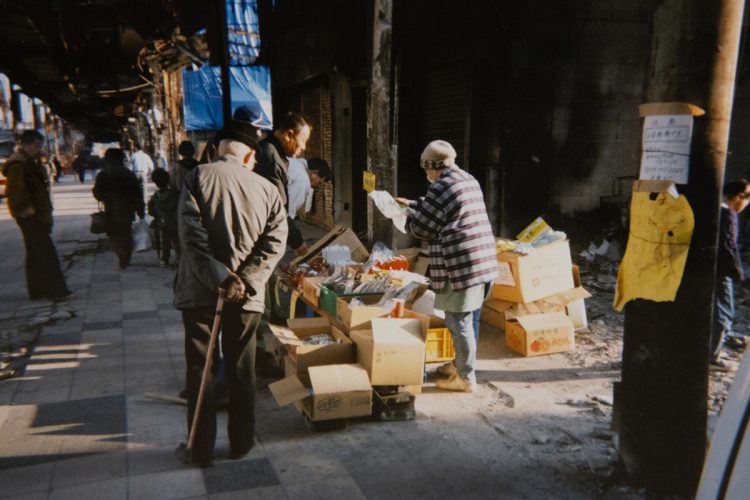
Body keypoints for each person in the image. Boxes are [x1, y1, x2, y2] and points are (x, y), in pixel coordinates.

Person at [173, 119, 288, 467]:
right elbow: (275, 243)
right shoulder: (267, 189)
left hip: (200, 292)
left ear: (217, 150)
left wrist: (221, 277)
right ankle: (241, 443)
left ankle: (200, 449)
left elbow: (190, 237)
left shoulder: (196, 177)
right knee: (242, 367)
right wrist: (245, 281)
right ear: (250, 154)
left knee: (201, 368)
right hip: (247, 297)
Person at [397, 140, 497, 392]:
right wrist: (412, 203)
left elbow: (422, 228)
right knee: (471, 316)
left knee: (458, 321)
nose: (426, 174)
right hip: (482, 260)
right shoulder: (466, 179)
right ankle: (459, 365)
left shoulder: (441, 186)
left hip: (460, 264)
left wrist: (405, 216)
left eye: (426, 168)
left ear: (432, 166)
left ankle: (465, 378)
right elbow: (441, 207)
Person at [2, 130, 71, 300]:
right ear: (25, 145)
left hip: (35, 214)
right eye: (36, 146)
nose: (38, 149)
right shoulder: (18, 165)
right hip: (29, 216)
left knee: (34, 252)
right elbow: (17, 194)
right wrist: (30, 213)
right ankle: (56, 291)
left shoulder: (30, 162)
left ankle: (37, 290)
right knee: (46, 253)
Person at [255, 112, 311, 256]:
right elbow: (277, 207)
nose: (304, 147)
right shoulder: (270, 156)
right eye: (302, 140)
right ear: (288, 135)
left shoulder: (273, 151)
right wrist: (296, 241)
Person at [710, 179, 750, 369]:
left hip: (709, 269)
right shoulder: (728, 214)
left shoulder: (714, 210)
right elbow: (729, 247)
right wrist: (739, 274)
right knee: (724, 314)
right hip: (722, 272)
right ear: (739, 196)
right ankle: (713, 358)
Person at [93, 148, 145, 270]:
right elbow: (137, 193)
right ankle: (125, 257)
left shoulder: (103, 174)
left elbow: (98, 194)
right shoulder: (128, 174)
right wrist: (140, 210)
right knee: (126, 233)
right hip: (126, 210)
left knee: (113, 233)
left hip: (110, 209)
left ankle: (120, 253)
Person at [148, 168, 180, 267]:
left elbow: (151, 211)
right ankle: (179, 257)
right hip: (174, 222)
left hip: (161, 223)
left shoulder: (155, 197)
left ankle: (164, 259)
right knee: (177, 241)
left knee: (164, 242)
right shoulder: (175, 194)